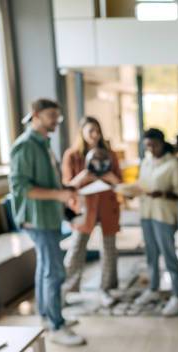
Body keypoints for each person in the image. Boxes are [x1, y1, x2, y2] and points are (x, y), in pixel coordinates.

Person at [9, 98, 86, 347]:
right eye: (52, 115)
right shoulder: (25, 146)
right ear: (36, 115)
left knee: (45, 267)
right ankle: (56, 326)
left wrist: (66, 191)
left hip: (49, 216)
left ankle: (47, 317)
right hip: (37, 219)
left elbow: (48, 183)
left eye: (57, 116)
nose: (56, 121)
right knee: (55, 271)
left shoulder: (44, 144)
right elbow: (22, 189)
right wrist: (59, 195)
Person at [61, 116, 122, 307]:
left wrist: (110, 176)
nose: (95, 135)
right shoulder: (72, 156)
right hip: (83, 207)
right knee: (76, 249)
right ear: (82, 133)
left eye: (97, 131)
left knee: (109, 250)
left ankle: (105, 289)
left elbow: (120, 184)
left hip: (107, 207)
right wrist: (83, 176)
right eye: (90, 131)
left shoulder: (109, 155)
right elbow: (67, 185)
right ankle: (65, 289)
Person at [133, 128, 178, 316]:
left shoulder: (174, 165)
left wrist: (162, 193)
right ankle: (153, 289)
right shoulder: (146, 162)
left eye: (153, 145)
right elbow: (141, 185)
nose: (150, 149)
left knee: (168, 254)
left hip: (164, 215)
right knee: (151, 254)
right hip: (146, 213)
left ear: (162, 143)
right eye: (147, 146)